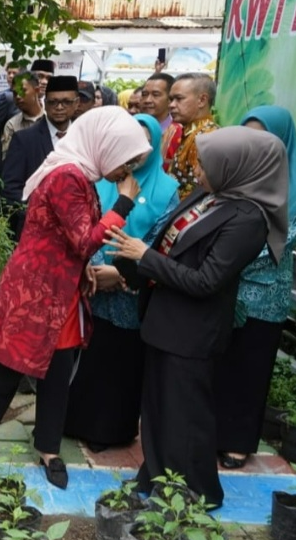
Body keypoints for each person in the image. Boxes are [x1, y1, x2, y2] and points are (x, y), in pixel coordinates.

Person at [0, 107, 150, 490]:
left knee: (59, 369)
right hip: (35, 291)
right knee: (11, 366)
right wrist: (123, 203)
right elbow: (83, 238)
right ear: (105, 146)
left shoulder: (81, 174)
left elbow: (66, 240)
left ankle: (48, 445)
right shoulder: (67, 176)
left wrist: (79, 271)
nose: (125, 173)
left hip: (60, 290)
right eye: (125, 161)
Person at [108, 127, 288, 508]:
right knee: (157, 409)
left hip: (193, 331)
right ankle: (156, 478)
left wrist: (146, 258)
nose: (198, 173)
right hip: (165, 318)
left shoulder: (248, 219)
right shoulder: (210, 195)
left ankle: (196, 491)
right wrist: (136, 266)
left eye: (206, 165)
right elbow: (170, 242)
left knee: (186, 416)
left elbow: (207, 280)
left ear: (235, 167)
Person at [64, 114, 180, 451]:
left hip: (132, 290)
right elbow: (82, 229)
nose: (133, 153)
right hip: (91, 281)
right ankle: (75, 421)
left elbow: (163, 240)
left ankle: (110, 430)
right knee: (87, 355)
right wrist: (95, 266)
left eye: (142, 144)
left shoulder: (167, 189)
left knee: (122, 361)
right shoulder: (98, 178)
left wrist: (122, 272)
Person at [215, 106, 296, 468]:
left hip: (264, 297)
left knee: (250, 367)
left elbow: (279, 240)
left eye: (263, 137)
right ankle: (210, 430)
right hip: (223, 290)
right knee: (219, 362)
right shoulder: (238, 178)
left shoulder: (293, 187)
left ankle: (237, 442)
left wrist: (225, 252)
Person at [0, 75, 79, 241]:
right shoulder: (24, 139)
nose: (59, 107)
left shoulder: (85, 139)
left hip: (75, 236)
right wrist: (38, 215)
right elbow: (10, 190)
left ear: (76, 103)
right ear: (45, 101)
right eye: (53, 102)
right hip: (35, 236)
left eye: (66, 102)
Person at [167, 73, 220, 198]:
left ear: (202, 100)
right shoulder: (191, 132)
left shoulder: (206, 137)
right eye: (171, 99)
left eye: (179, 99)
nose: (171, 105)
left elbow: (198, 190)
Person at [0, 61, 26, 167]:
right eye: (9, 73)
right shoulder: (4, 97)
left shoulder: (29, 97)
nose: (11, 76)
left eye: (14, 73)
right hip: (6, 154)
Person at [140, 73, 182, 172]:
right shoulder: (134, 127)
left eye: (156, 95)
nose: (147, 100)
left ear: (169, 99)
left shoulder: (179, 132)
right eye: (144, 95)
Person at [0, 73, 42, 165]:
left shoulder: (52, 119)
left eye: (22, 91)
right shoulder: (12, 125)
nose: (18, 97)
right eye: (15, 93)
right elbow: (9, 162)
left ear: (37, 90)